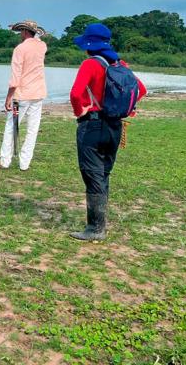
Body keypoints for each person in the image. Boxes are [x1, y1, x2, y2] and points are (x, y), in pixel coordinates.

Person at [68, 23, 146, 241]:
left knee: (91, 174)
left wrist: (80, 110)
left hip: (91, 125)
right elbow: (142, 89)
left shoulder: (90, 64)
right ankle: (99, 224)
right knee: (103, 173)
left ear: (89, 45)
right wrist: (123, 108)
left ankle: (95, 229)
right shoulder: (120, 64)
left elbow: (75, 94)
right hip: (114, 126)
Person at [0, 19, 47, 170]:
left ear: (25, 32)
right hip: (38, 93)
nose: (19, 33)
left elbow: (15, 78)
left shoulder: (20, 49)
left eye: (21, 31)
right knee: (32, 129)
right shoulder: (42, 47)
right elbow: (38, 39)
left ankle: (5, 161)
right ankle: (24, 163)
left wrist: (8, 97)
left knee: (12, 127)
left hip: (21, 95)